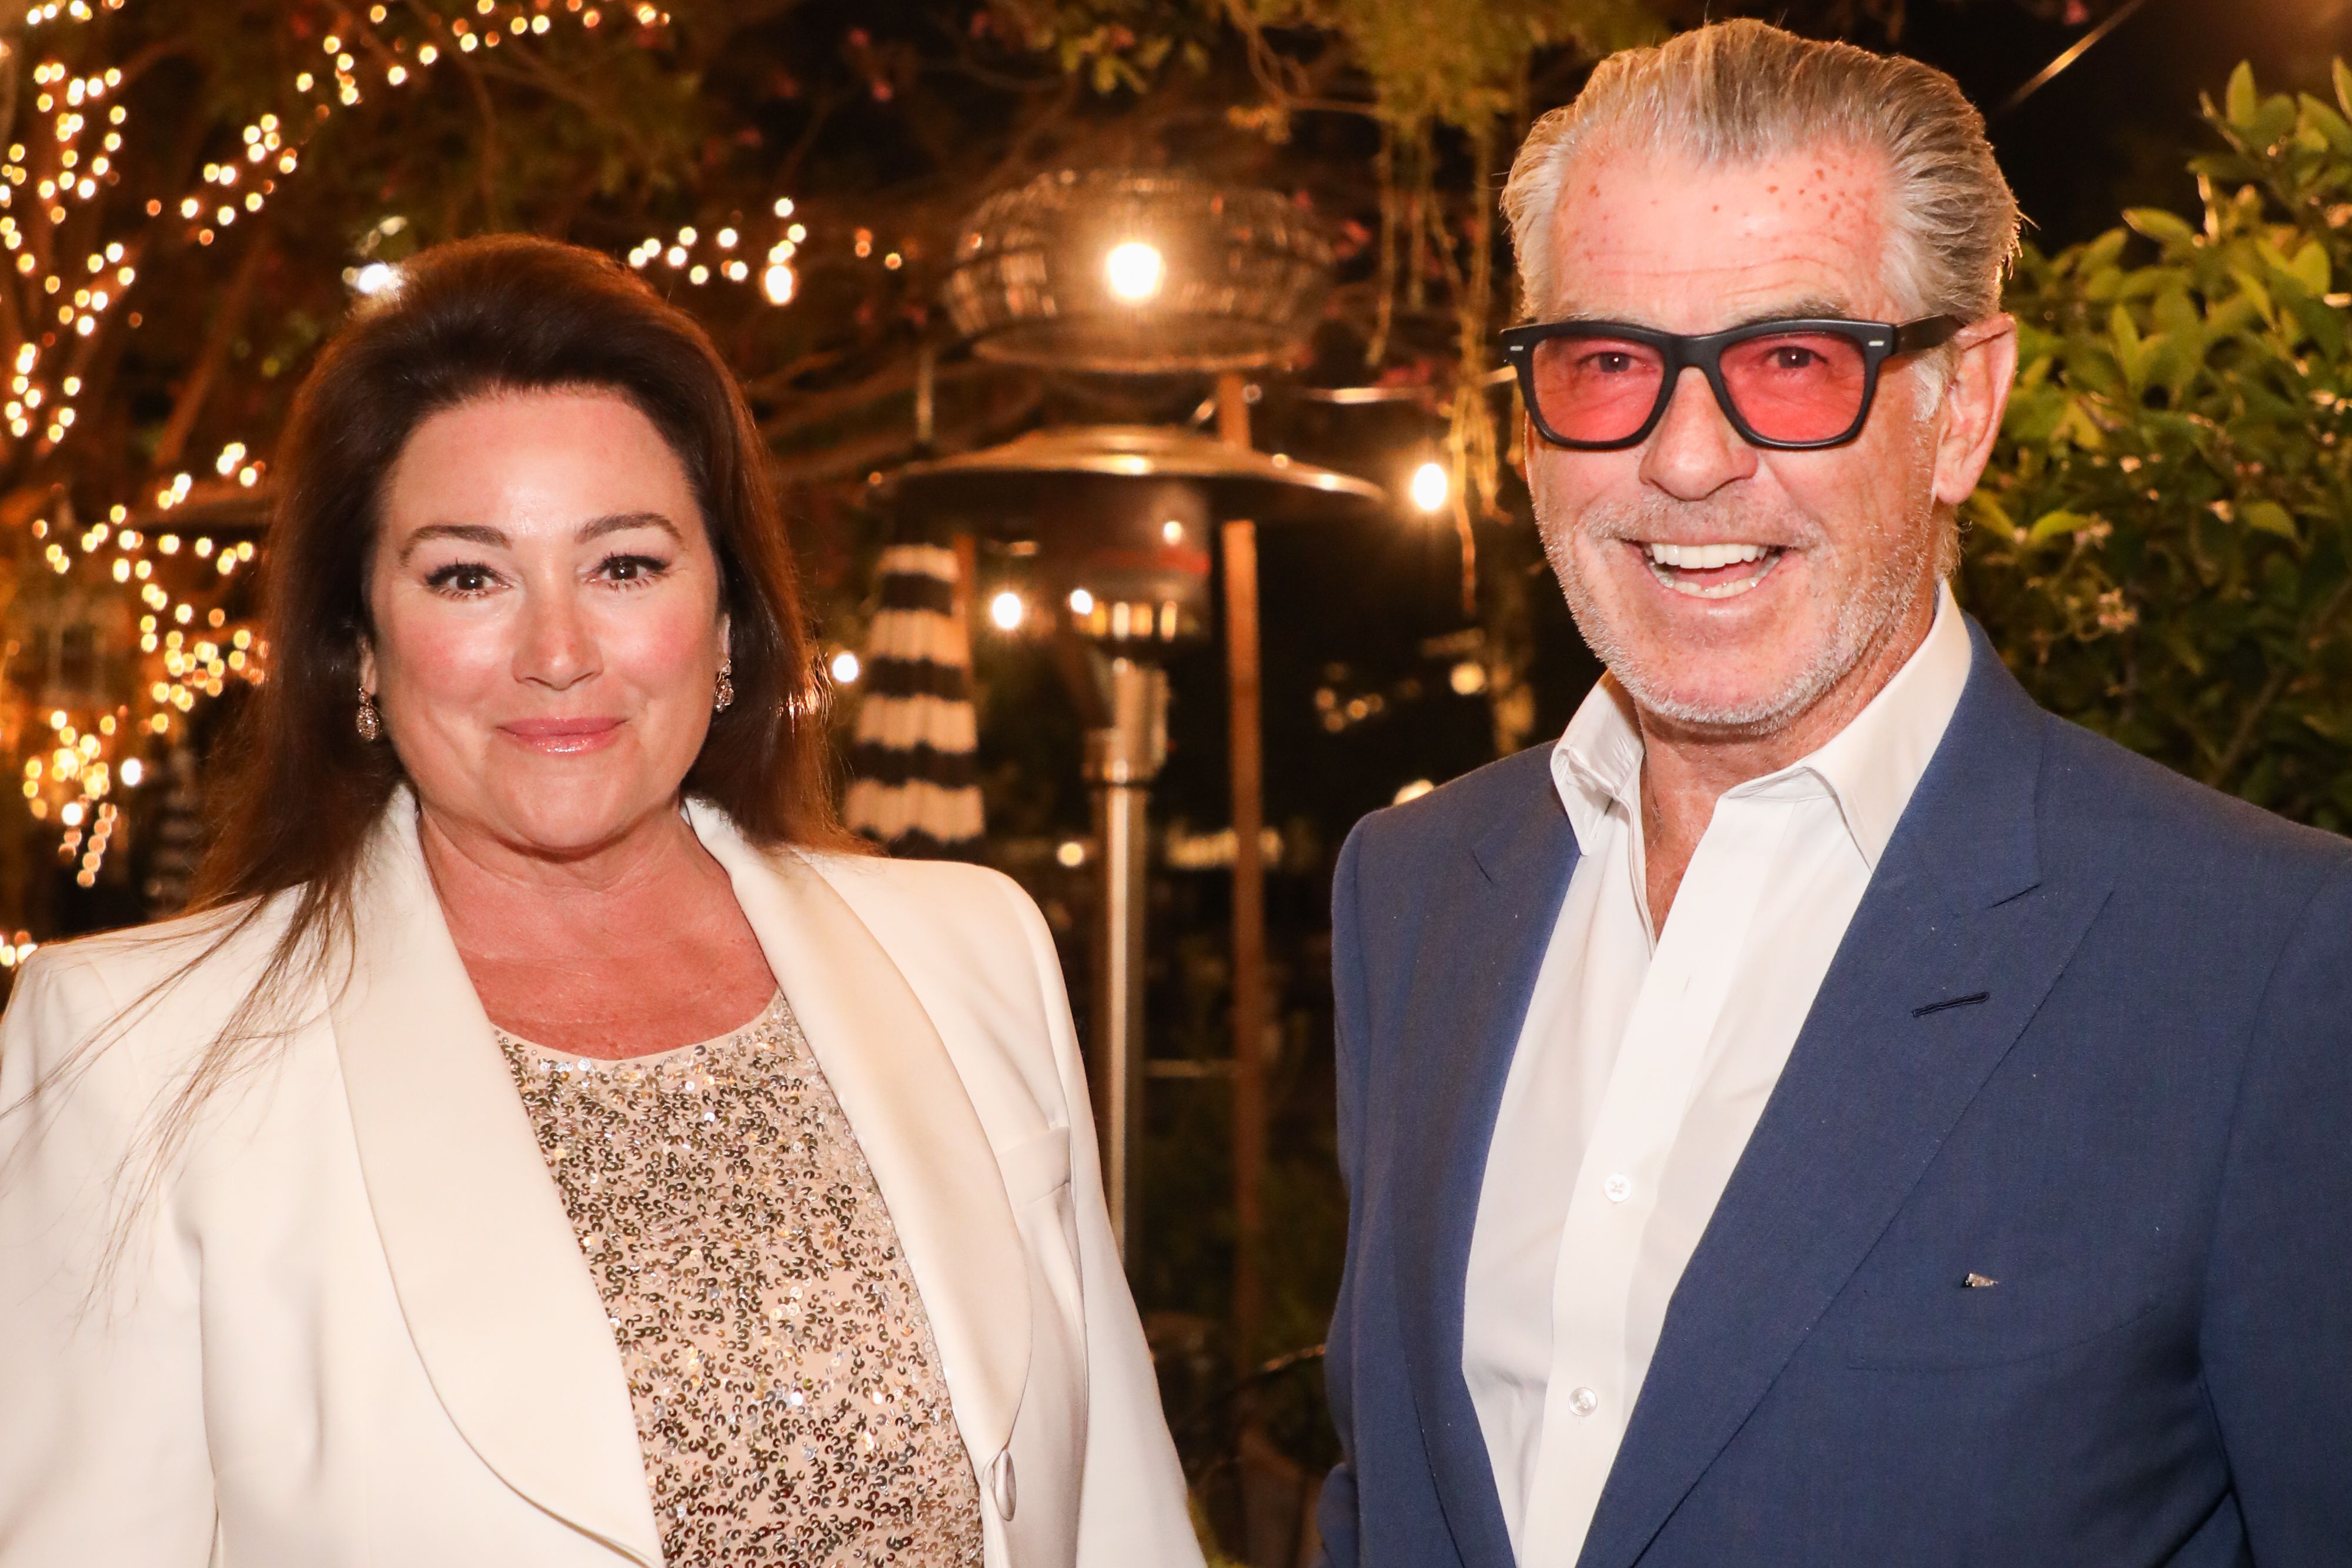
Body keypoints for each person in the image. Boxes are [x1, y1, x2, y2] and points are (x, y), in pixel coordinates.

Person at [1315, 21, 2352, 1568]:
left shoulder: (2267, 961)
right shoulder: (1411, 888)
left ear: (1963, 407)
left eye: (1792, 361)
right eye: (1608, 360)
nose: (1684, 458)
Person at [0, 235, 1202, 1568]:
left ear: (731, 623)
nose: (558, 652)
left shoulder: (971, 951)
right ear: (359, 643)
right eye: (468, 575)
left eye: (623, 565)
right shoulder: (136, 1051)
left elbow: (1116, 1523)